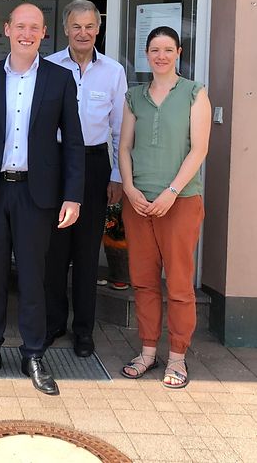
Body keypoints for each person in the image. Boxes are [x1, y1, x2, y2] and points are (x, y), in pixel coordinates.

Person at [0, 2, 84, 395]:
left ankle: (33, 354)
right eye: (20, 26)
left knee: (33, 277)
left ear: (45, 34)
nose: (27, 33)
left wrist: (73, 196)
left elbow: (73, 144)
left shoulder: (60, 79)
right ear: (7, 29)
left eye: (35, 27)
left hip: (36, 193)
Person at [119, 26, 210, 389]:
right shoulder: (134, 96)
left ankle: (177, 357)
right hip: (139, 204)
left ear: (179, 52)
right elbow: (124, 147)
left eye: (167, 49)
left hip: (180, 202)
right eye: (154, 49)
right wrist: (128, 188)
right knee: (142, 281)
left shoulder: (194, 93)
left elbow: (199, 149)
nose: (161, 55)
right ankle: (147, 352)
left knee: (179, 283)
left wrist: (172, 191)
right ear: (146, 54)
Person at [44, 0, 128, 358]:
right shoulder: (46, 66)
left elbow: (120, 128)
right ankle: (52, 323)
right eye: (76, 26)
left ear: (98, 29)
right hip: (55, 162)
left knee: (86, 250)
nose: (83, 33)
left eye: (89, 26)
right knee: (53, 250)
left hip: (94, 165)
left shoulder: (113, 71)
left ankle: (84, 330)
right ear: (65, 30)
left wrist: (116, 176)